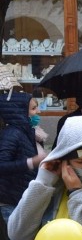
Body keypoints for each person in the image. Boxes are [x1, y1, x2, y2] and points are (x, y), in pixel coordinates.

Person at [0, 92, 45, 223]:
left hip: (22, 199)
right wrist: (31, 162)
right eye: (33, 108)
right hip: (11, 202)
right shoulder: (12, 134)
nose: (39, 111)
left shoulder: (31, 132)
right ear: (19, 111)